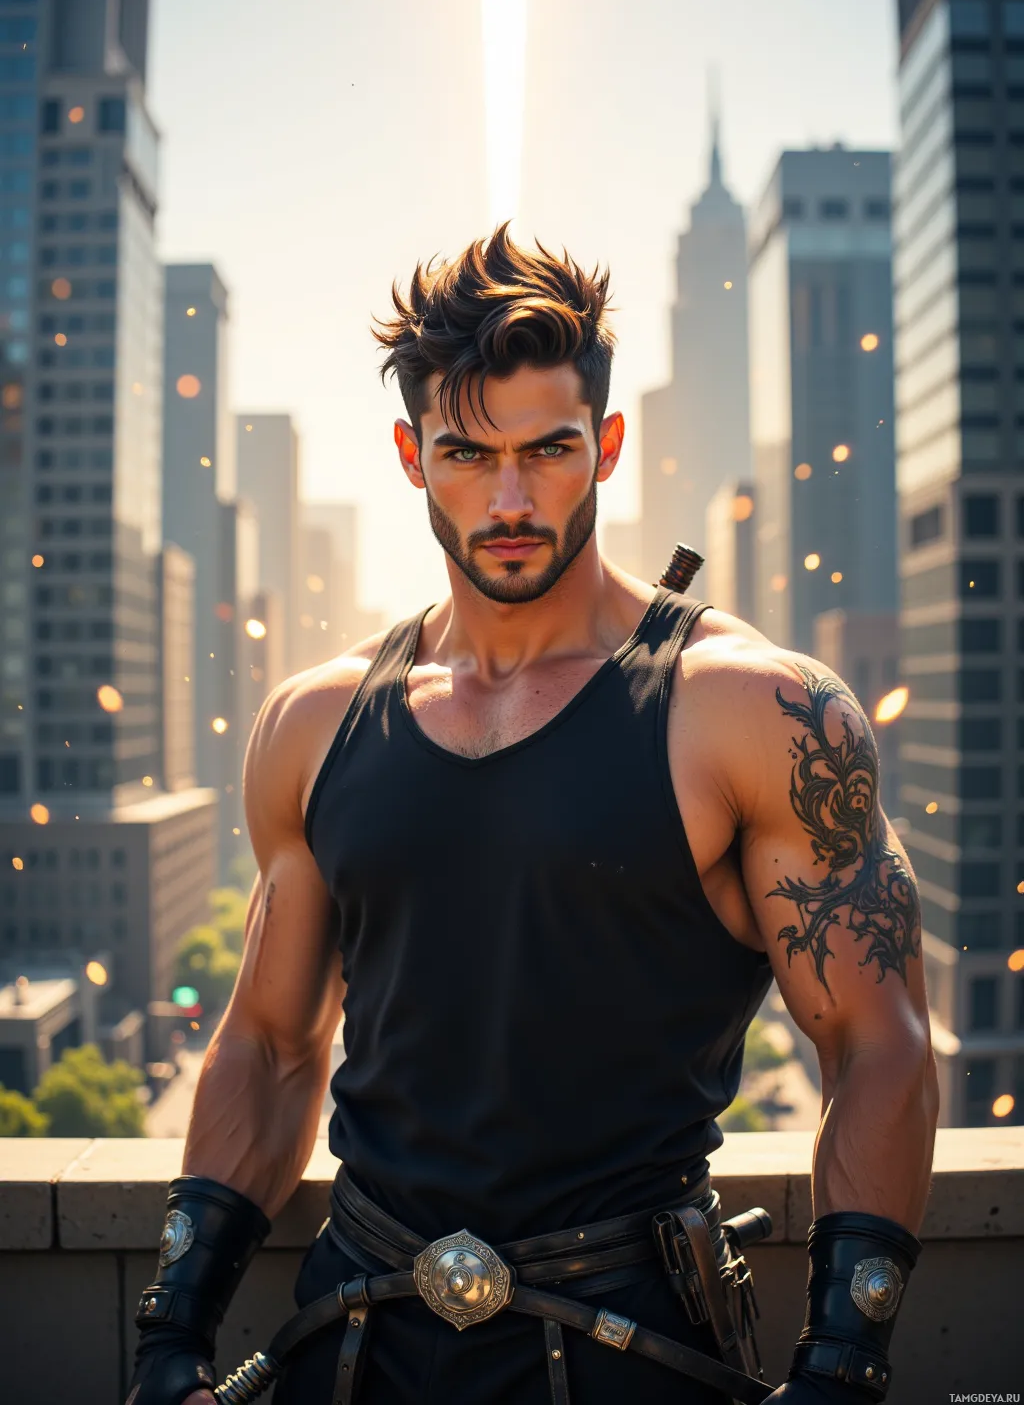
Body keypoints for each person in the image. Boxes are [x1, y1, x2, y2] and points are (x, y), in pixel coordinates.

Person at [127, 226, 939, 1405]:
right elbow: (268, 1040)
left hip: (640, 1351)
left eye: (549, 450)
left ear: (605, 444)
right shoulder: (315, 722)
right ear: (413, 455)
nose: (509, 498)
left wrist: (839, 1369)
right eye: (466, 453)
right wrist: (170, 1338)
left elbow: (881, 1043)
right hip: (354, 1346)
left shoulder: (755, 709)